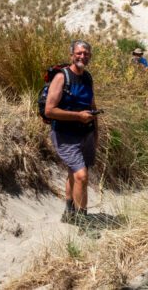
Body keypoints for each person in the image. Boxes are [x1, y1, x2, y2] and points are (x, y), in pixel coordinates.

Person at [44, 40, 98, 225]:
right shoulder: (62, 77)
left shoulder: (87, 77)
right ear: (72, 55)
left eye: (86, 54)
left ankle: (69, 213)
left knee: (74, 172)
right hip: (65, 135)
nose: (82, 56)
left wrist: (95, 133)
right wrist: (78, 117)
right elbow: (49, 111)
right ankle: (83, 221)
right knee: (82, 176)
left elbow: (92, 106)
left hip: (85, 134)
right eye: (79, 53)